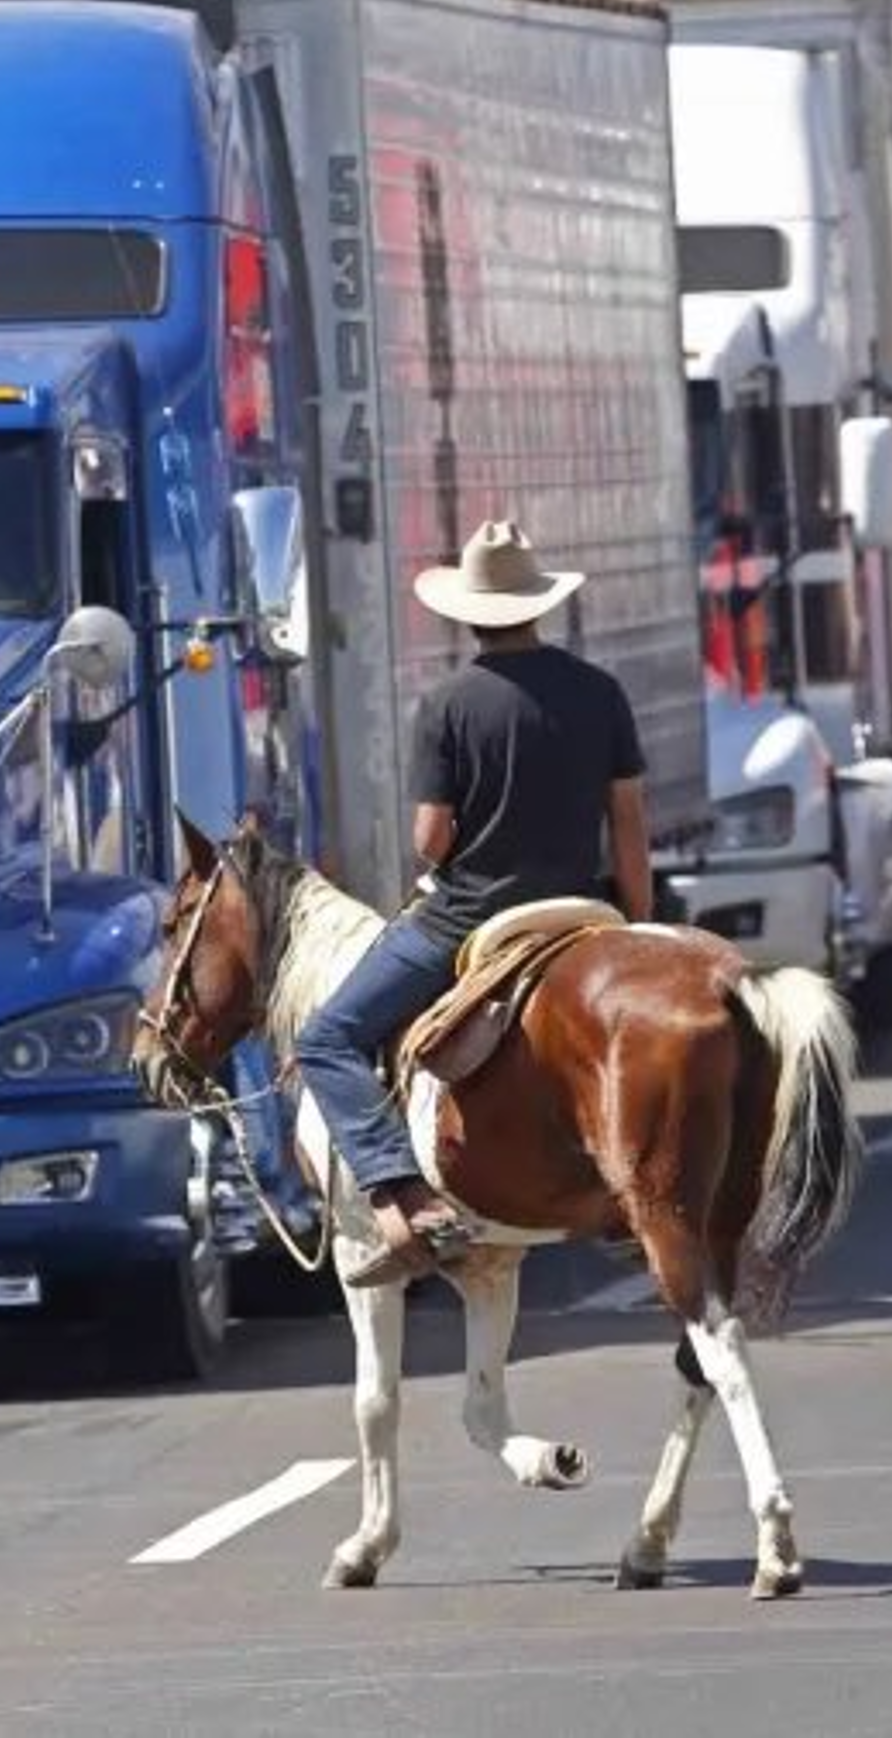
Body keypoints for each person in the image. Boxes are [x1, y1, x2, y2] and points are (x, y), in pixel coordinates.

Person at [297, 517, 649, 1286]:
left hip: (469, 916)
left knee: (325, 1038)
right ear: (538, 605)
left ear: (466, 614)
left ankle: (405, 1197)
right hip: (580, 908)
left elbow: (429, 840)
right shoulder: (600, 693)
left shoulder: (450, 702)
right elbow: (627, 824)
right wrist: (640, 924)